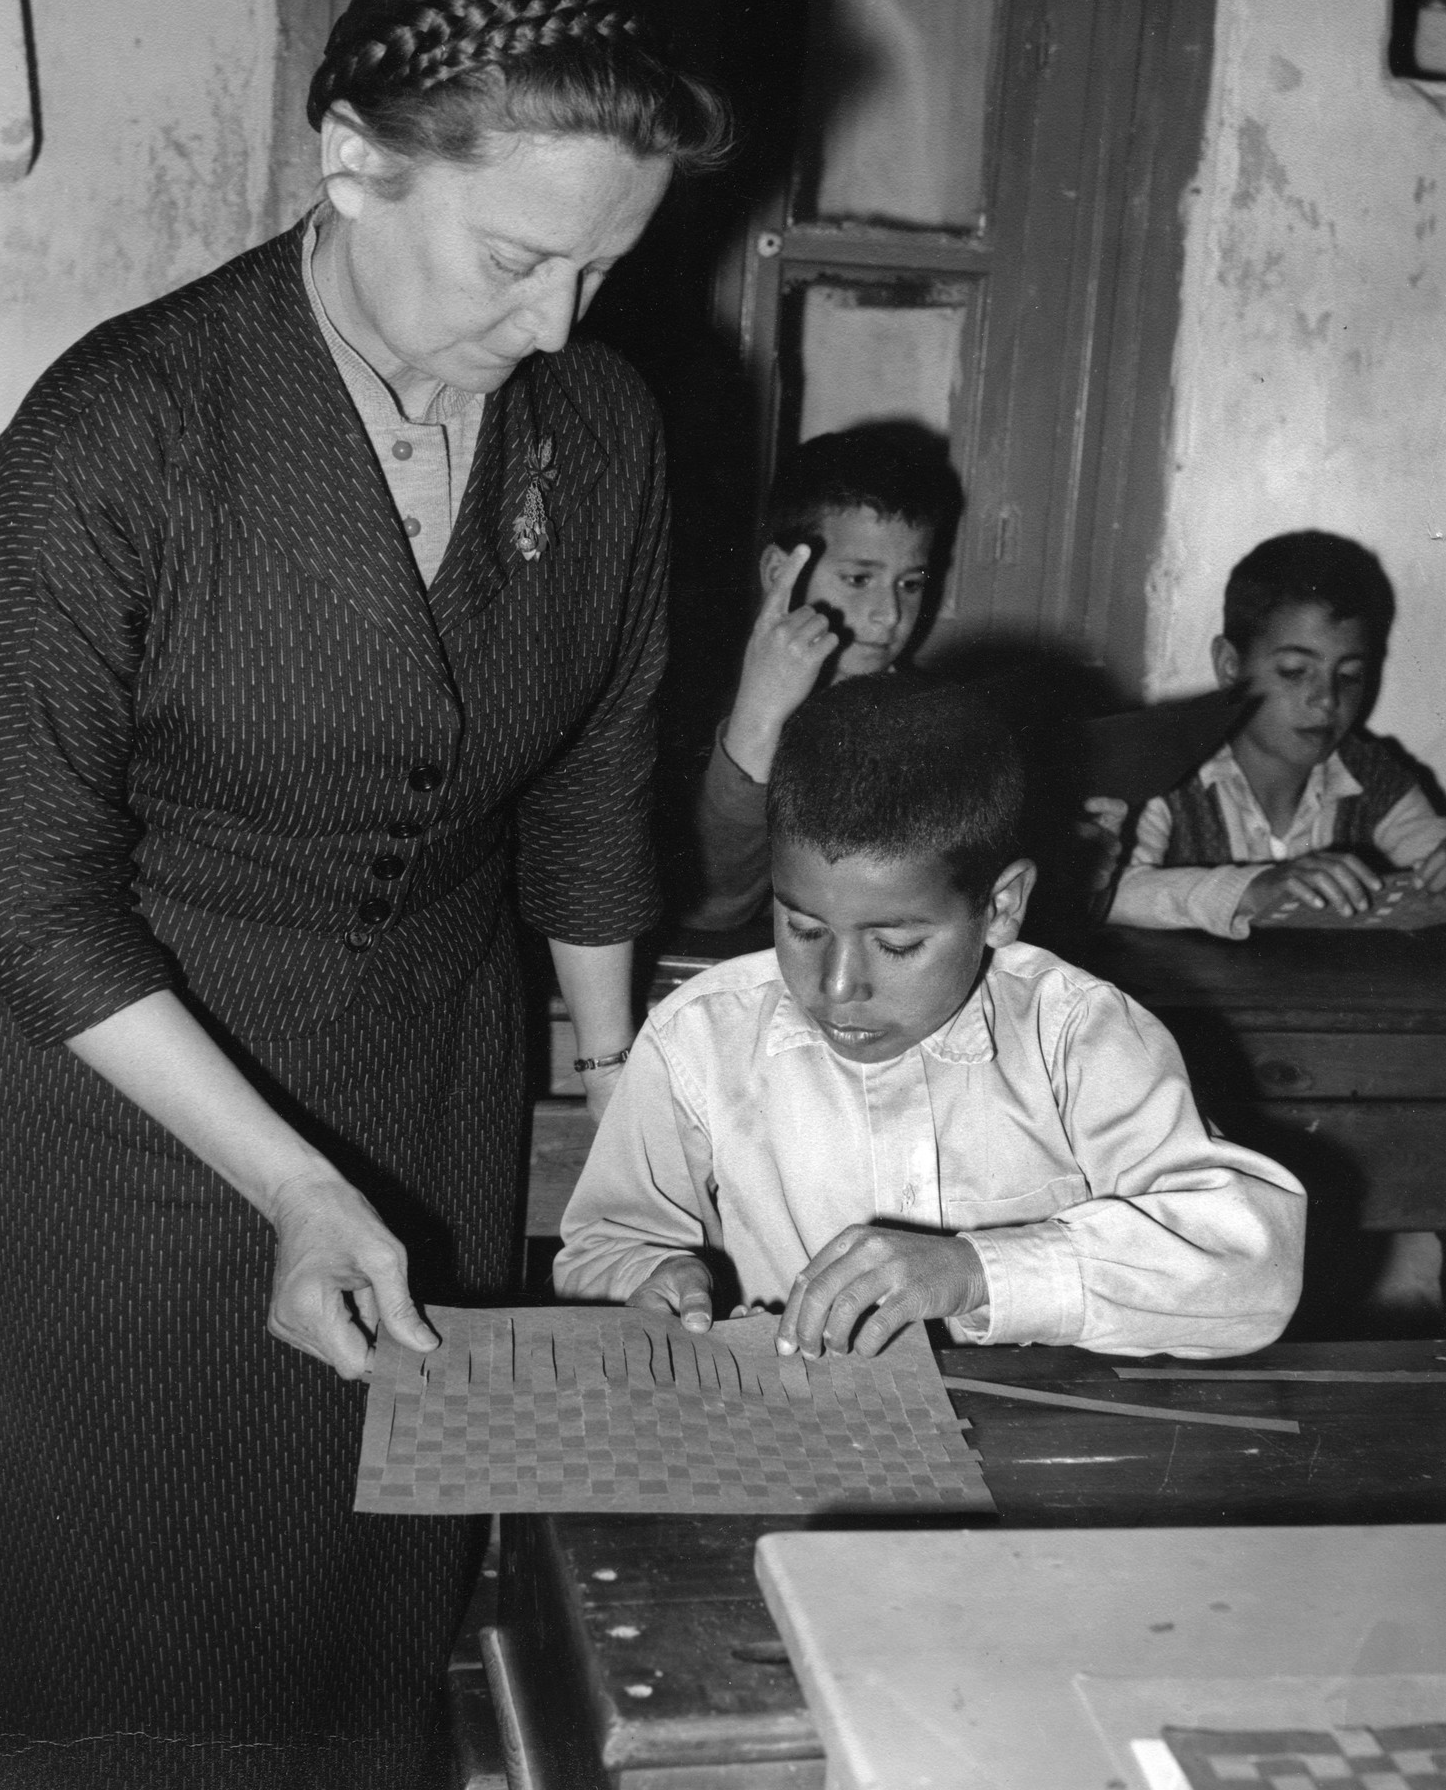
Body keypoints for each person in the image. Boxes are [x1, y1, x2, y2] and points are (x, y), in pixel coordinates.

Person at [0, 0, 727, 1788]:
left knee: (377, 1645)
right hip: (134, 1150)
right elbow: (47, 914)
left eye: (603, 270)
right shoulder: (109, 442)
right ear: (351, 159)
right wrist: (294, 1190)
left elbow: (590, 786)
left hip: (432, 1095)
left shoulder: (598, 430)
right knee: (150, 1672)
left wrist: (633, 1125)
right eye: (518, 259)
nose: (554, 326)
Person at [556, 679, 1304, 1360]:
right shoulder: (701, 1038)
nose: (838, 985)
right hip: (794, 1438)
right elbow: (604, 1246)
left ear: (1001, 906)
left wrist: (978, 1272)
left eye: (897, 943)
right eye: (802, 928)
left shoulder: (1076, 1036)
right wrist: (654, 1275)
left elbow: (1254, 1271)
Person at [1108, 531, 1446, 938]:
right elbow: (1110, 894)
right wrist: (1254, 889)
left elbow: (1431, 859)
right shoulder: (1164, 770)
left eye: (1349, 676)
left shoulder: (1372, 774)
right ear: (1230, 666)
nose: (1326, 700)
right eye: (1295, 672)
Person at [684, 425, 956, 931]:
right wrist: (759, 718)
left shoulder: (928, 712)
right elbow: (712, 908)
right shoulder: (701, 706)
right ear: (778, 572)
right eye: (858, 579)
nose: (888, 614)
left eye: (910, 583)